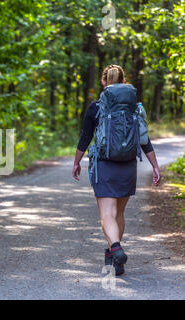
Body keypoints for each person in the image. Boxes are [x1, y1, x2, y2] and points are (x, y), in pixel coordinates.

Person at [72, 64, 161, 276]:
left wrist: (76, 162)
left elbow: (85, 137)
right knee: (119, 213)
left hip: (104, 164)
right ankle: (113, 256)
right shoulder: (136, 108)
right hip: (128, 166)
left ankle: (115, 249)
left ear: (104, 82)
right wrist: (155, 166)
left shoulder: (96, 107)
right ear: (124, 81)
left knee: (106, 214)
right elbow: (144, 140)